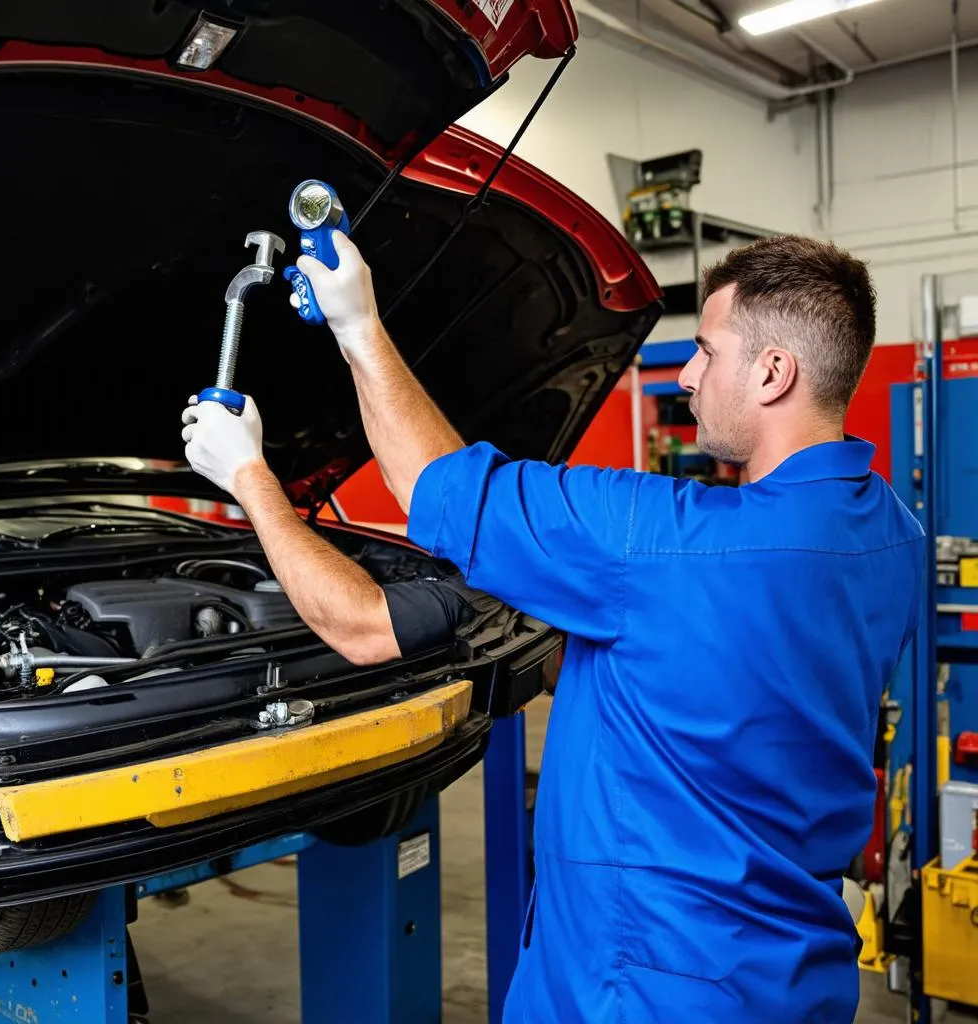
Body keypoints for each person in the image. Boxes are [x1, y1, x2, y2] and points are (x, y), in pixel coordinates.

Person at [181, 231, 923, 1023]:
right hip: (795, 978)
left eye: (706, 350)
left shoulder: (664, 545)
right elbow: (734, 670)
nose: (688, 374)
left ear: (774, 373)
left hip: (640, 988)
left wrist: (352, 332)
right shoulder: (893, 536)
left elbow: (432, 483)